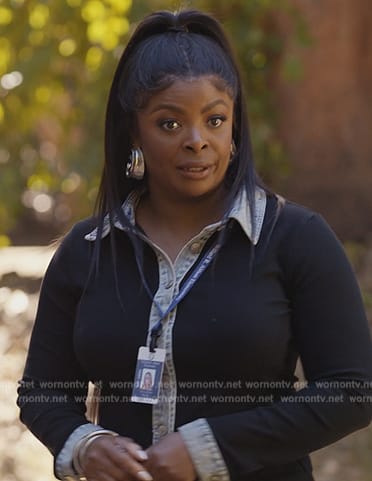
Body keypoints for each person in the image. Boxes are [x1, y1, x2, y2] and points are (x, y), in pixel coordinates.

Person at [17, 8, 372, 481]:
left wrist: (213, 447)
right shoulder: (88, 249)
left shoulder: (294, 237)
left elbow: (353, 389)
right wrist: (85, 444)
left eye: (215, 119)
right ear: (133, 132)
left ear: (234, 126)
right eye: (170, 123)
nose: (197, 141)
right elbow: (42, 391)